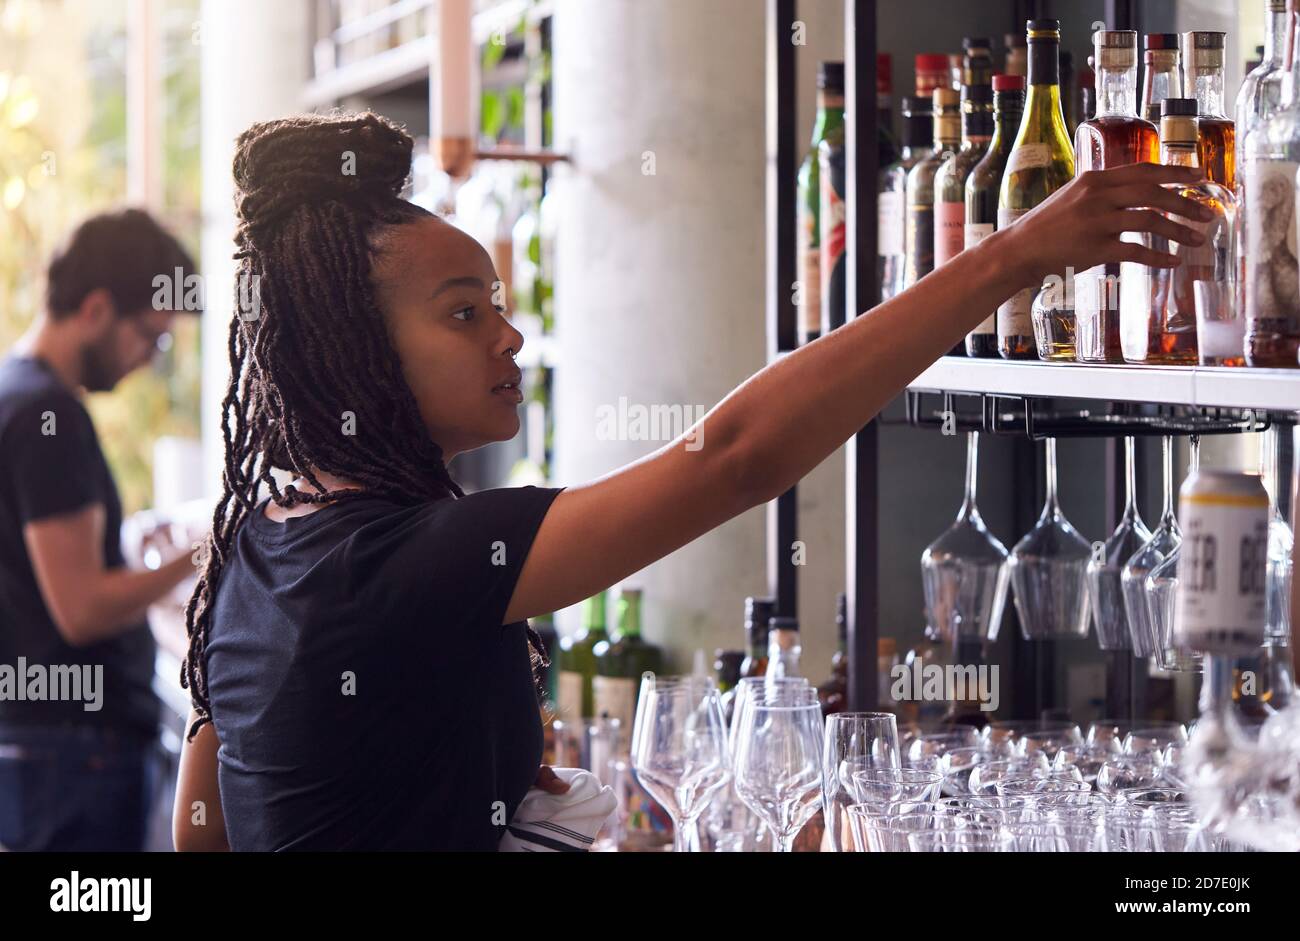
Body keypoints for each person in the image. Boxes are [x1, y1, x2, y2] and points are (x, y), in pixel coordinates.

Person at [172, 111, 1212, 851]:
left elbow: (200, 826)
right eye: (462, 313)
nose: (510, 333)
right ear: (350, 346)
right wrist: (1009, 258)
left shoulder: (262, 544)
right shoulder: (409, 558)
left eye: (495, 300)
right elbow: (736, 458)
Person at [0, 208, 202, 850]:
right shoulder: (47, 414)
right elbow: (82, 610)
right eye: (152, 337)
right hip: (72, 753)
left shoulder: (14, 392)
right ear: (95, 309)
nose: (149, 358)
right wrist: (204, 549)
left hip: (45, 747)